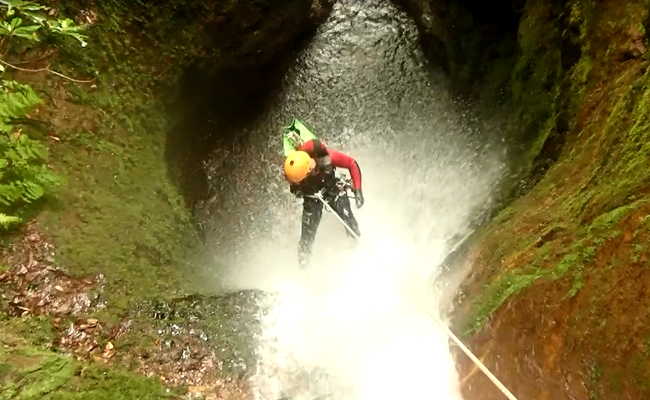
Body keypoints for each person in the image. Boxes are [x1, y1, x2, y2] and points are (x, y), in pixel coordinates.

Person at [281, 119, 364, 267]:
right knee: (307, 237)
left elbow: (351, 163)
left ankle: (356, 246)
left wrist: (358, 190)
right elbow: (294, 189)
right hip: (312, 198)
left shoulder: (325, 157)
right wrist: (299, 190)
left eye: (313, 167)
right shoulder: (294, 171)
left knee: (348, 218)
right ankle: (303, 265)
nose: (313, 169)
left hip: (333, 188)